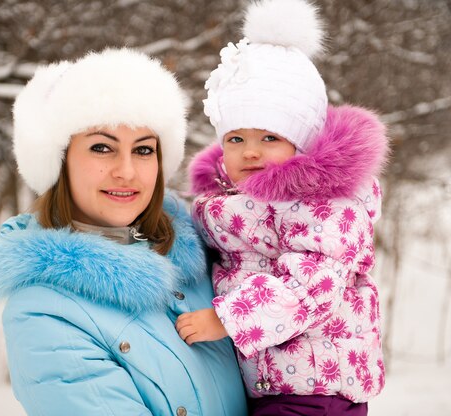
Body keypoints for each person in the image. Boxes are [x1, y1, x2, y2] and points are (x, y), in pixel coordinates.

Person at [0, 48, 248, 416]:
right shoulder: (43, 314)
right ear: (59, 160)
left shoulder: (212, 251)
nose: (127, 172)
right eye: (102, 148)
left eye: (144, 150)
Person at [174, 0, 388, 415]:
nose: (250, 152)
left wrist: (228, 319)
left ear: (301, 141)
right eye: (236, 139)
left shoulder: (322, 204)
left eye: (269, 137)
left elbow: (315, 284)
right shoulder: (230, 205)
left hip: (316, 387)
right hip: (274, 384)